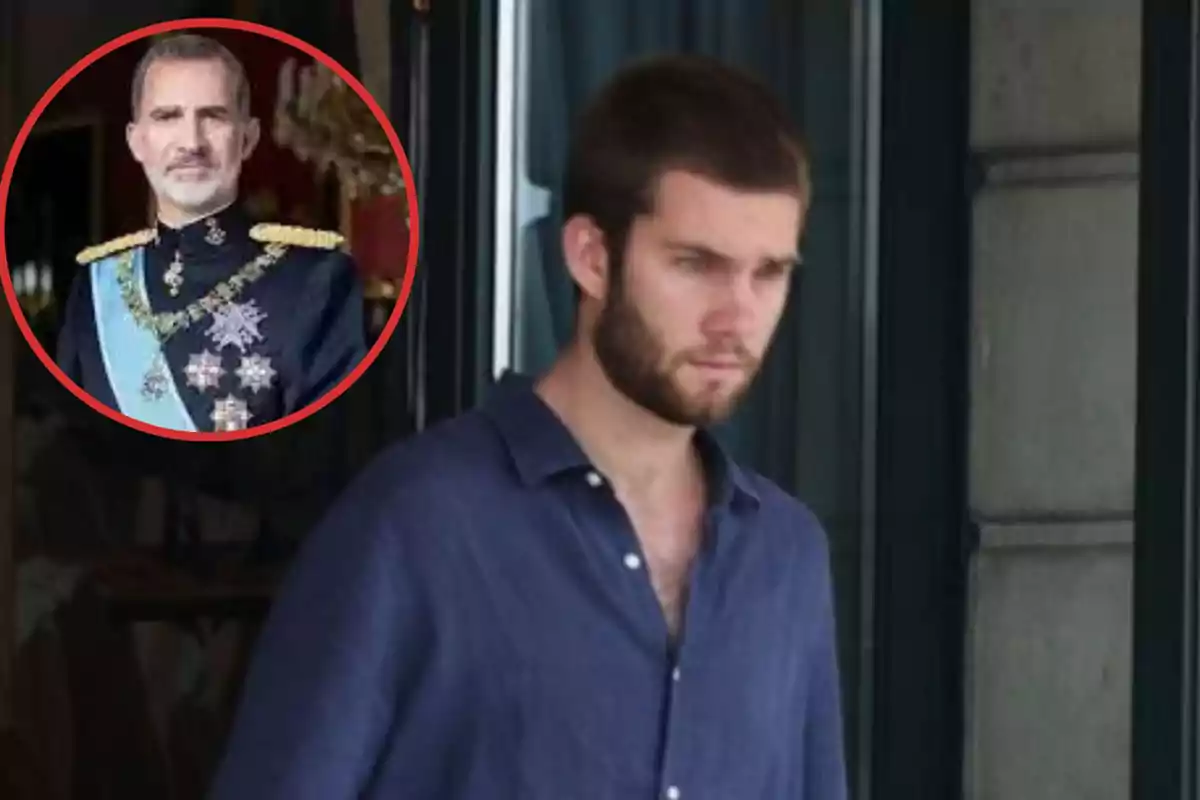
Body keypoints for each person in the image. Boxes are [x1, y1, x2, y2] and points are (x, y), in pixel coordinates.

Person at [209, 54, 847, 799]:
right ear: (591, 257)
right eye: (695, 264)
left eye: (768, 273)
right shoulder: (415, 526)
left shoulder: (788, 557)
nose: (736, 318)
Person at [56, 33, 366, 433]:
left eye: (213, 116)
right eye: (167, 117)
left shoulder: (317, 282)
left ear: (248, 138)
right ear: (137, 142)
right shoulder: (95, 287)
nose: (191, 142)